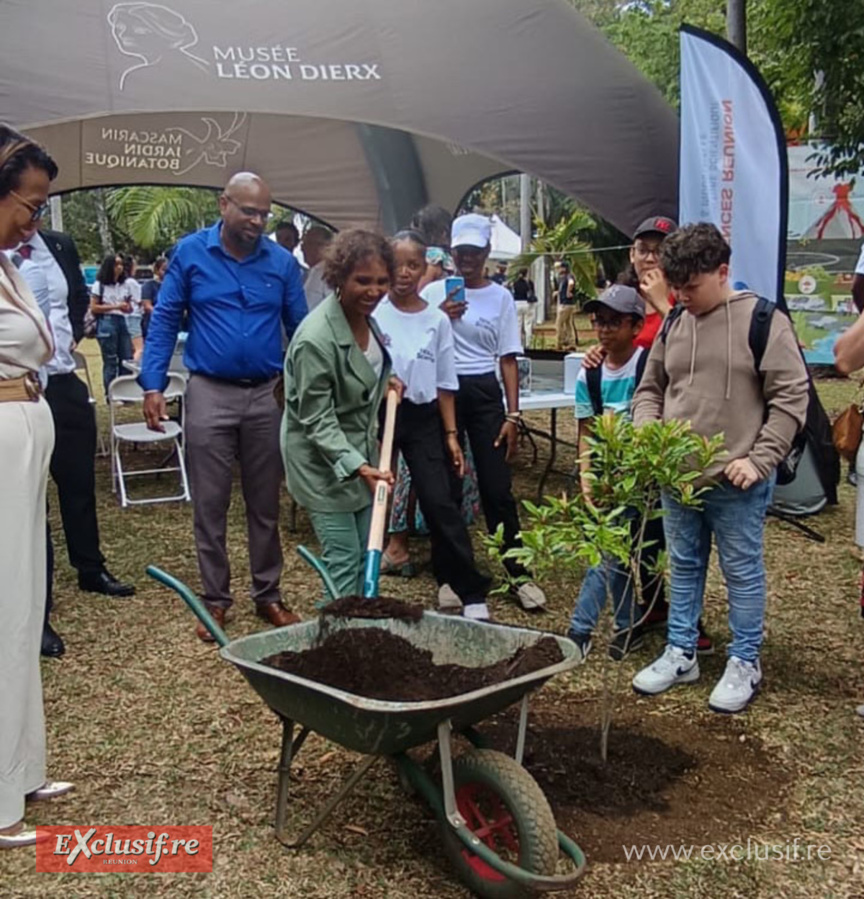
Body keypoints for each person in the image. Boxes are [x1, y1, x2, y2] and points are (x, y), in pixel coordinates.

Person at [631, 223, 809, 714]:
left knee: (741, 571)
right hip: (677, 479)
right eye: (676, 287)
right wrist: (649, 430)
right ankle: (681, 650)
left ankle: (745, 660)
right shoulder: (674, 322)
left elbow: (791, 397)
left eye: (691, 287)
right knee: (684, 567)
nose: (682, 296)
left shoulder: (763, 321)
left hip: (737, 481)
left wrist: (759, 460)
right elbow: (651, 389)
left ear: (723, 271)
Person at [140, 172, 307, 642]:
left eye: (264, 214)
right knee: (210, 502)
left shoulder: (280, 263)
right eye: (248, 211)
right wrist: (153, 384)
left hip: (265, 393)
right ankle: (216, 599)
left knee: (264, 501)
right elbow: (166, 319)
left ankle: (268, 594)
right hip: (209, 391)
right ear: (223, 205)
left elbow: (302, 329)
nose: (257, 221)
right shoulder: (191, 253)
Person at [10, 230, 136, 660]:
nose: (35, 215)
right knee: (30, 501)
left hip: (62, 380)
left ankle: (90, 568)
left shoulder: (61, 246)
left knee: (78, 481)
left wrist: (66, 342)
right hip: (19, 389)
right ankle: (37, 607)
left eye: (43, 203)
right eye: (30, 201)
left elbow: (79, 299)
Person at [0, 123, 73, 849]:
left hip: (24, 431)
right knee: (3, 610)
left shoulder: (10, 264)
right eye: (30, 203)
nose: (35, 219)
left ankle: (21, 768)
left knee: (24, 606)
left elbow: (46, 342)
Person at [422, 213, 546, 611]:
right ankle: (450, 576)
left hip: (483, 390)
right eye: (461, 252)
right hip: (444, 389)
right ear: (451, 252)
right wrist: (439, 314)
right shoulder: (433, 292)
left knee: (497, 488)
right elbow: (417, 341)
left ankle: (517, 573)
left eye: (476, 252)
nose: (468, 260)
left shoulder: (501, 296)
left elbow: (507, 357)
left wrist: (513, 415)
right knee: (447, 489)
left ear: (488, 253)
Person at [374, 231, 493, 619]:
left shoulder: (436, 320)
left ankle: (469, 590)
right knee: (371, 497)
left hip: (424, 418)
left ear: (425, 266)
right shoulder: (374, 315)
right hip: (382, 415)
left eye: (413, 264)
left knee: (440, 500)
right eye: (397, 264)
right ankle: (363, 582)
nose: (404, 273)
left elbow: (446, 382)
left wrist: (451, 435)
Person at [282, 230, 398, 598]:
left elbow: (364, 368)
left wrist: (388, 380)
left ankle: (360, 629)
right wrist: (358, 466)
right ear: (339, 278)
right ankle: (333, 641)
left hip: (360, 453)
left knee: (368, 548)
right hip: (322, 460)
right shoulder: (315, 339)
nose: (374, 291)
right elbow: (317, 419)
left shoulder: (367, 318)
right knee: (345, 558)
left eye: (382, 282)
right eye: (362, 281)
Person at [567, 285, 651, 659]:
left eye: (614, 322)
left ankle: (578, 631)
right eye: (599, 321)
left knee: (608, 549)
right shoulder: (591, 375)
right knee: (613, 549)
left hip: (638, 474)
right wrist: (587, 480)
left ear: (635, 326)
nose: (604, 329)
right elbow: (586, 432)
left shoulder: (648, 365)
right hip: (604, 472)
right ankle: (628, 621)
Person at [90, 253, 135, 399]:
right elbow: (94, 307)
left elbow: (129, 306)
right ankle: (111, 394)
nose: (120, 267)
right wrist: (115, 306)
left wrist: (127, 307)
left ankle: (125, 393)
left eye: (121, 264)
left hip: (122, 320)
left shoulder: (125, 285)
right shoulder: (100, 285)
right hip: (107, 321)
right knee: (110, 360)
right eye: (116, 264)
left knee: (126, 357)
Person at [300, 225, 334, 311]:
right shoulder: (309, 273)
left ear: (325, 246)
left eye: (308, 243)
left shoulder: (330, 274)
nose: (302, 248)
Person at [141, 254, 167, 340]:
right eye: (164, 270)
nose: (167, 273)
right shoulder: (149, 285)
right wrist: (161, 314)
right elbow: (147, 306)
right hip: (153, 323)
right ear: (157, 270)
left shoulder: (176, 286)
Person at [123, 254, 144, 361]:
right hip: (134, 316)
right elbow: (139, 300)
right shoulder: (132, 282)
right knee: (139, 348)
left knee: (130, 348)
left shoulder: (121, 282)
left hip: (125, 317)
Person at [555, 260, 578, 350]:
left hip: (565, 304)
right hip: (569, 304)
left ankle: (559, 343)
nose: (559, 269)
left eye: (560, 267)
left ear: (564, 268)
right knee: (568, 324)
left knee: (559, 324)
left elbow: (571, 283)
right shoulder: (564, 277)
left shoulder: (568, 276)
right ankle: (572, 343)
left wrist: (568, 292)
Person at [511, 267, 536, 349]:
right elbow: (533, 292)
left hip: (517, 303)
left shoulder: (515, 283)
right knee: (528, 324)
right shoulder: (529, 283)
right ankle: (528, 344)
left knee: (518, 324)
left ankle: (518, 344)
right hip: (527, 303)